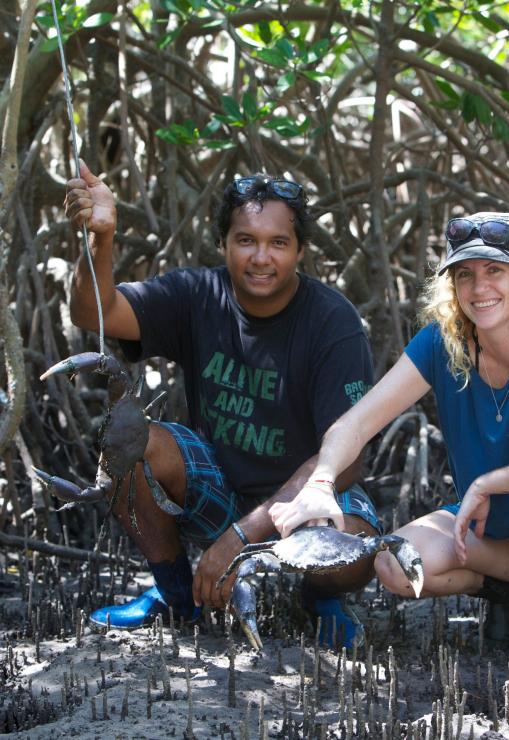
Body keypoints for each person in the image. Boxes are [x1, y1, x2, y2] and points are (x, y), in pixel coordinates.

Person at [271, 212, 509, 690]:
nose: (478, 287)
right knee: (395, 564)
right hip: (502, 533)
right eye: (465, 273)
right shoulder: (442, 343)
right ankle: (508, 591)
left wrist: (488, 482)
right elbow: (357, 422)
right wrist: (321, 482)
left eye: (494, 271)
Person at [61, 163, 379, 648]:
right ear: (224, 244)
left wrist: (243, 534)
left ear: (299, 251)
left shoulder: (333, 322)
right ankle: (176, 595)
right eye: (246, 240)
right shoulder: (197, 294)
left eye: (278, 242)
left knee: (355, 550)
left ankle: (321, 600)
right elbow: (93, 313)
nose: (261, 258)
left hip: (306, 501)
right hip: (221, 490)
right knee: (125, 442)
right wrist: (99, 240)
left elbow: (350, 455)